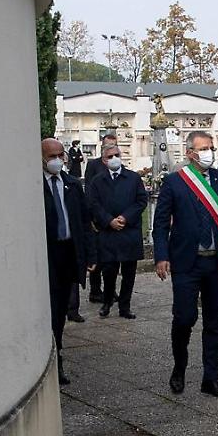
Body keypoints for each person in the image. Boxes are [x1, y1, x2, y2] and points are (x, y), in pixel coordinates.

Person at [153, 131, 218, 397]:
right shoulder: (175, 182)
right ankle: (179, 367)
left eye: (211, 147)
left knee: (214, 323)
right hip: (187, 263)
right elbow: (161, 223)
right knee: (185, 318)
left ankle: (211, 378)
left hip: (215, 264)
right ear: (190, 154)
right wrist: (161, 256)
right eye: (203, 148)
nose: (209, 152)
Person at [41, 138, 94, 385]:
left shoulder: (71, 184)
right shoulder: (35, 185)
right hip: (47, 255)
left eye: (60, 155)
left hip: (68, 253)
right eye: (51, 156)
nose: (57, 160)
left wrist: (90, 255)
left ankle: (58, 355)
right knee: (49, 309)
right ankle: (49, 359)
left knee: (61, 309)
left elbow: (84, 222)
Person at [86, 143, 148, 320]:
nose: (114, 159)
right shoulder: (98, 180)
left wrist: (125, 217)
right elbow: (93, 204)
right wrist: (108, 220)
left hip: (129, 231)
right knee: (109, 272)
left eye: (116, 155)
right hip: (109, 233)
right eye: (109, 157)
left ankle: (125, 306)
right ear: (104, 161)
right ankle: (107, 302)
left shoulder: (133, 178)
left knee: (129, 273)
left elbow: (141, 201)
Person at [82, 133, 119, 303]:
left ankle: (111, 290)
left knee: (112, 259)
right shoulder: (93, 165)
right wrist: (92, 218)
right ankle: (95, 291)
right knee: (97, 258)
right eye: (108, 146)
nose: (111, 150)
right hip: (98, 219)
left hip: (114, 219)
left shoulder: (117, 163)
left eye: (114, 145)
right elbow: (89, 192)